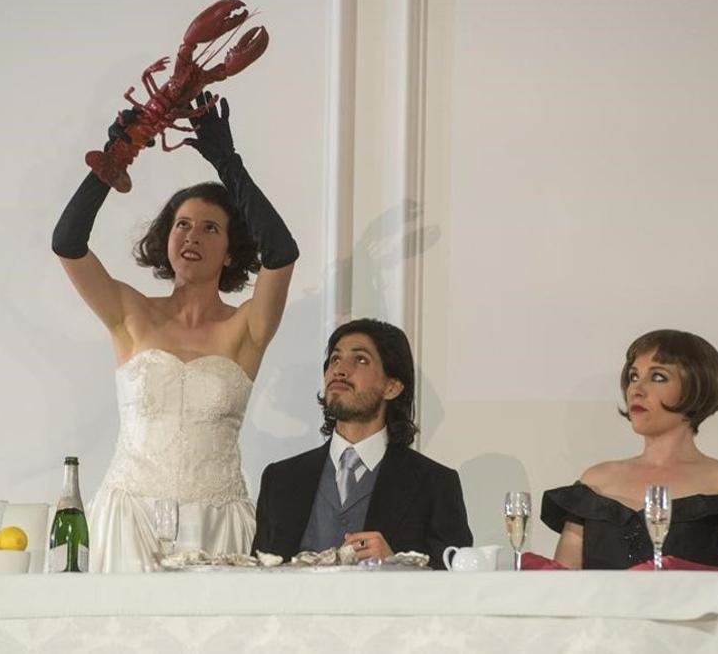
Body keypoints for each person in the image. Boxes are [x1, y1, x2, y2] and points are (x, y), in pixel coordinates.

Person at [51, 94, 298, 572]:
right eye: (182, 225)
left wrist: (227, 161)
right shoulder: (129, 313)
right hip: (129, 516)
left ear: (229, 251)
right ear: (166, 239)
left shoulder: (246, 327)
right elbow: (67, 241)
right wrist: (115, 159)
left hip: (219, 523)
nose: (192, 237)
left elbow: (281, 253)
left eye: (210, 229)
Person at [541, 329, 718, 572]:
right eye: (634, 376)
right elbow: (563, 586)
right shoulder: (595, 480)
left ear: (697, 386)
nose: (636, 389)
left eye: (658, 377)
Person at [251, 318, 472, 569]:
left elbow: (458, 581)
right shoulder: (280, 480)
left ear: (392, 387)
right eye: (335, 359)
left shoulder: (435, 484)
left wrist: (397, 563)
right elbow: (257, 580)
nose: (340, 370)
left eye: (361, 360)